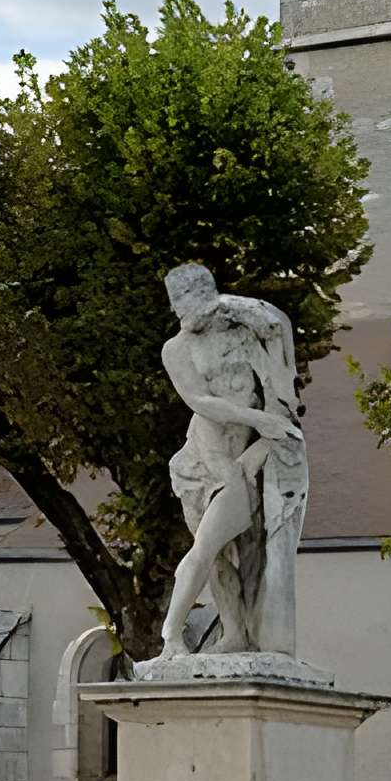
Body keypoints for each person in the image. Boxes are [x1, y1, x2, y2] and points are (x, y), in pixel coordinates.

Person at [157, 263, 309, 659]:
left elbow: (278, 343)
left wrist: (272, 422)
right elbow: (200, 401)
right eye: (182, 309)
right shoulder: (176, 349)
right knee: (212, 551)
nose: (188, 317)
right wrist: (260, 420)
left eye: (200, 307)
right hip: (203, 457)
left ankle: (234, 635)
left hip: (245, 459)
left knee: (243, 547)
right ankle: (184, 636)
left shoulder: (242, 338)